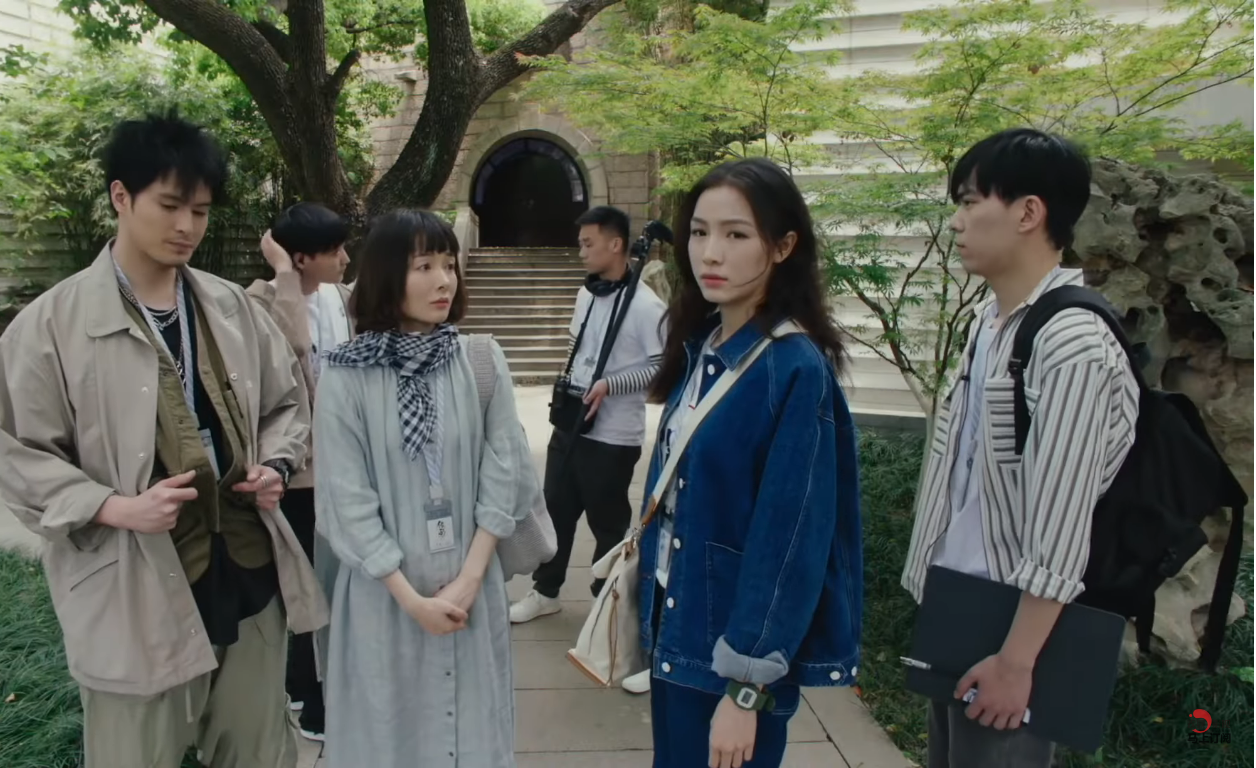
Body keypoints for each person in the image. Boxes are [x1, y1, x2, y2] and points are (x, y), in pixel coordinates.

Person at [0, 112, 327, 768]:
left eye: (199, 211)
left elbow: (286, 404)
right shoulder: (49, 328)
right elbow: (21, 457)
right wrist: (113, 507)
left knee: (259, 751)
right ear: (121, 196)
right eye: (170, 206)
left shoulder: (233, 309)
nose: (186, 227)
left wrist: (276, 464)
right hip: (132, 587)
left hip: (247, 571)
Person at [900, 128, 1139, 768]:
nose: (956, 221)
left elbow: (1063, 521)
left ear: (1029, 212)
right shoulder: (991, 322)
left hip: (1011, 631)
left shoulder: (1072, 343)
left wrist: (1016, 661)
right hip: (960, 603)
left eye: (969, 201)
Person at [637, 157, 863, 768]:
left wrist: (746, 688)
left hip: (732, 659)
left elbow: (790, 541)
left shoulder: (794, 368)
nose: (710, 253)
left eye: (737, 235)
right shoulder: (705, 346)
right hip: (678, 631)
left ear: (784, 246)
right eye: (699, 232)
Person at [312, 209, 531, 768]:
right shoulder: (345, 375)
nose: (443, 281)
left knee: (473, 736)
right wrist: (411, 599)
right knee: (389, 738)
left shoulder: (480, 360)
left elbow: (504, 471)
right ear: (387, 274)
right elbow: (346, 498)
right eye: (424, 266)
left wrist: (470, 579)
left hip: (470, 589)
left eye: (449, 265)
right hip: (385, 597)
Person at [509, 206, 667, 640]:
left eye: (587, 243)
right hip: (570, 423)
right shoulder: (588, 294)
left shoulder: (647, 307)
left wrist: (610, 385)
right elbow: (576, 345)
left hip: (614, 436)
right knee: (555, 509)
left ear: (615, 245)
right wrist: (570, 382)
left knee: (607, 522)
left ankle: (607, 601)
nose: (580, 252)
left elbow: (661, 367)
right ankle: (546, 590)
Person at [248, 202, 353, 742]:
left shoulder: (340, 297)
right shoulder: (259, 300)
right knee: (308, 584)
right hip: (297, 471)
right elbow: (290, 355)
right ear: (302, 258)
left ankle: (303, 684)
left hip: (343, 460)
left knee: (332, 582)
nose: (345, 258)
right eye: (334, 251)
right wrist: (284, 277)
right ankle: (313, 703)